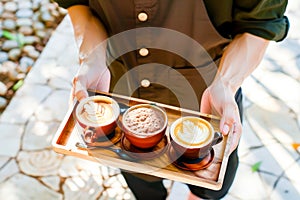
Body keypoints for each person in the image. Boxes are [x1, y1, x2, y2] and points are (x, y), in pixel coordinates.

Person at [52, 1, 289, 199]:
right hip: (119, 86)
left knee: (208, 186)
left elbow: (259, 24)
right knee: (140, 180)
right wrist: (92, 58)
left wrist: (225, 83)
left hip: (207, 98)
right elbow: (79, 4)